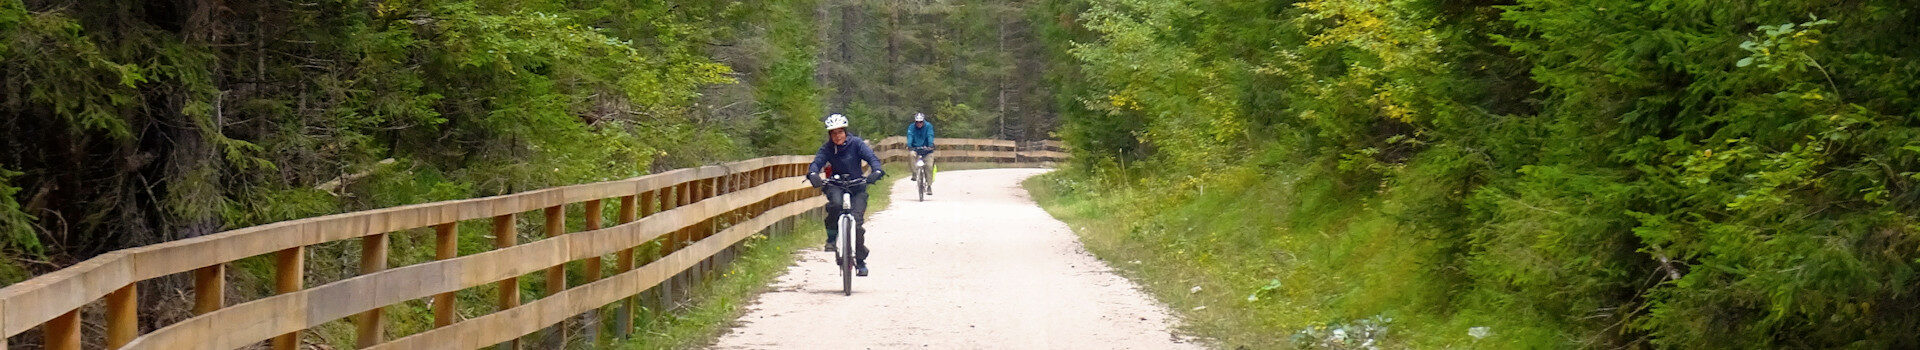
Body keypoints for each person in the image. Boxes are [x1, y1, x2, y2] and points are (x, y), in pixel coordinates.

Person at [807, 113, 884, 276]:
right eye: (833, 133)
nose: (837, 136)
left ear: (846, 132)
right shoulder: (827, 148)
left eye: (840, 132)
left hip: (857, 186)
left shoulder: (856, 144)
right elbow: (817, 162)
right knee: (835, 205)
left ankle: (861, 260)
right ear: (830, 135)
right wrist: (813, 174)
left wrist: (876, 170)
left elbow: (871, 158)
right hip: (836, 185)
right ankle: (832, 238)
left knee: (856, 225)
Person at [906, 113, 936, 195]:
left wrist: (930, 145)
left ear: (923, 121)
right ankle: (915, 173)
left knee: (929, 166)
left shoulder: (928, 126)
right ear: (915, 121)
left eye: (921, 122)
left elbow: (930, 135)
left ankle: (929, 186)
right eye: (917, 122)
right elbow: (910, 135)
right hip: (915, 148)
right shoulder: (911, 127)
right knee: (911, 155)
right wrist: (909, 145)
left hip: (927, 149)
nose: (919, 124)